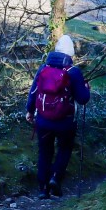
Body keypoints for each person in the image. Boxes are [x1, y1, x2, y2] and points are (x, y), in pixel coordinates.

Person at [25, 35, 90, 198]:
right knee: (65, 148)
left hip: (43, 120)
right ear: (71, 54)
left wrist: (29, 111)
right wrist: (86, 88)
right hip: (65, 122)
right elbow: (83, 99)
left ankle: (43, 189)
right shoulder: (74, 72)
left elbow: (33, 92)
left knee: (44, 152)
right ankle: (55, 178)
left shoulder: (43, 68)